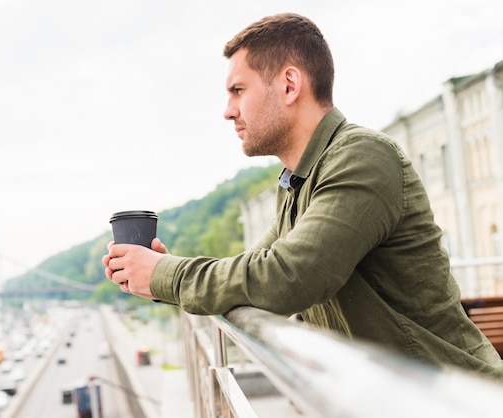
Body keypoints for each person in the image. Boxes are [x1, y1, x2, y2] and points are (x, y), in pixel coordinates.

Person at [102, 13, 503, 380]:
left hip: (456, 401)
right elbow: (249, 274)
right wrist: (156, 274)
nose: (228, 110)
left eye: (238, 90)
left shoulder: (363, 156)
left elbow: (285, 279)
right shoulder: (297, 182)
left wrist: (164, 274)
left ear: (290, 85)